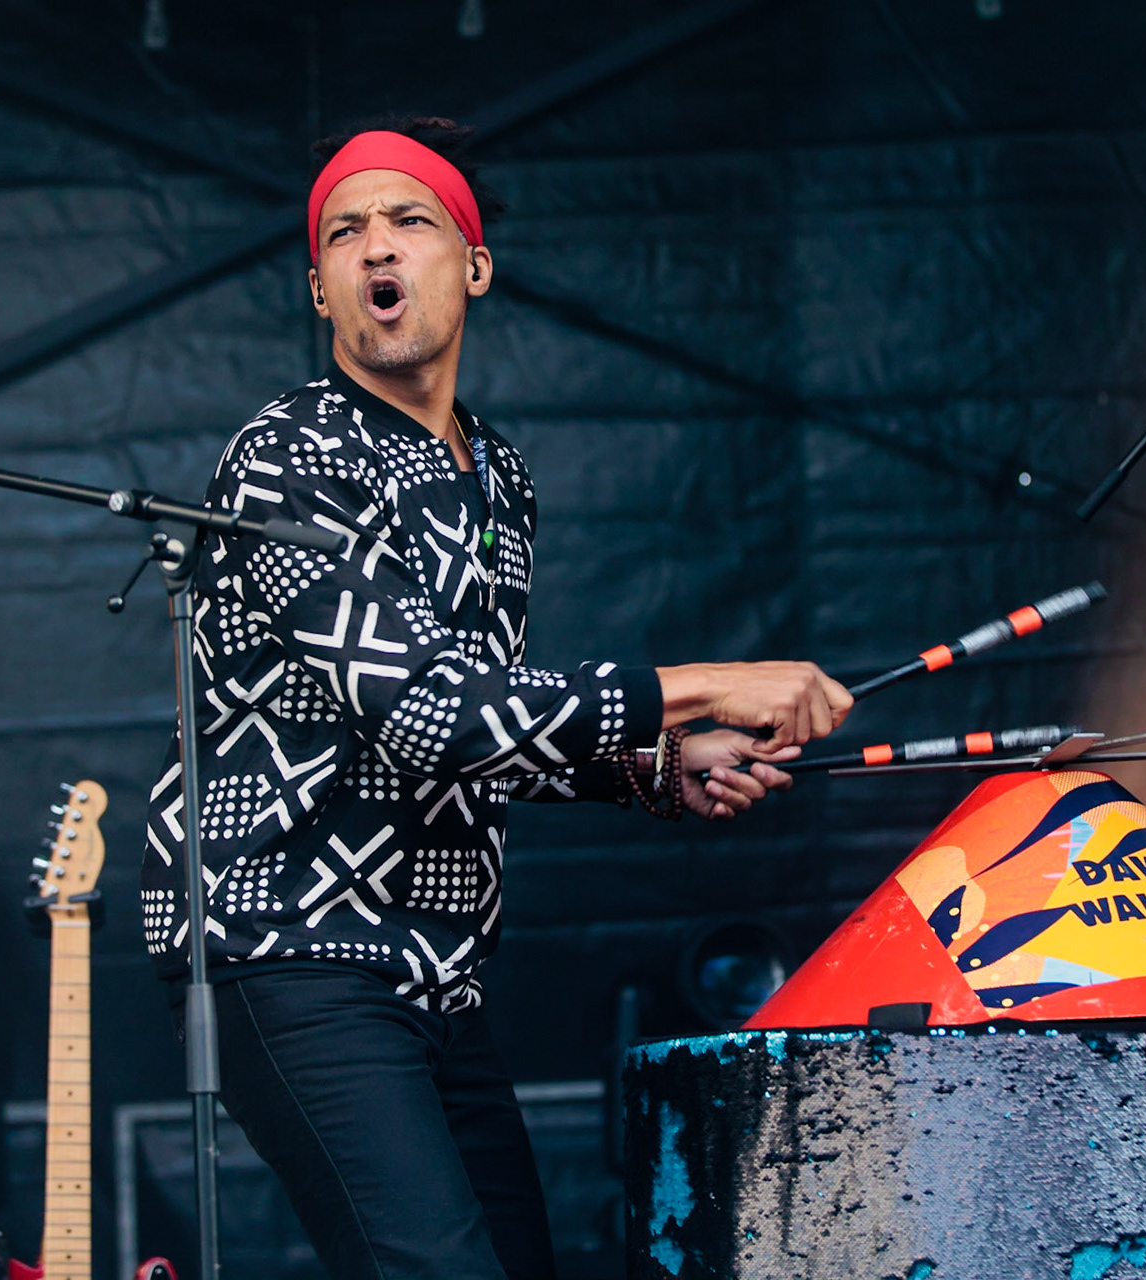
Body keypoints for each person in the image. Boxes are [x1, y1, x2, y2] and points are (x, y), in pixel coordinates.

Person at [139, 116, 852, 1280]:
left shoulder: (497, 474)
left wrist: (653, 769)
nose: (376, 246)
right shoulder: (290, 452)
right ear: (321, 289)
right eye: (344, 232)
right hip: (289, 944)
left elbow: (479, 729)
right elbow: (427, 710)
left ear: (472, 265)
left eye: (409, 220)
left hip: (435, 966)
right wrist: (706, 683)